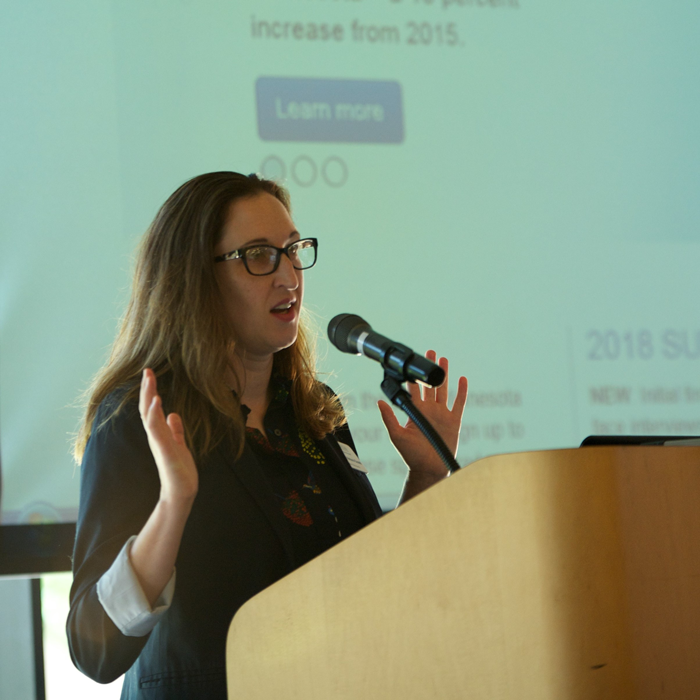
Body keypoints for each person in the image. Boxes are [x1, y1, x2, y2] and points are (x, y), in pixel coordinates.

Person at [67, 171, 468, 699]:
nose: (289, 276)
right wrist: (175, 503)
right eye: (259, 256)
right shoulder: (142, 418)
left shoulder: (311, 412)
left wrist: (427, 473)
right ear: (194, 278)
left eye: (293, 250)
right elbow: (94, 647)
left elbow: (375, 582)